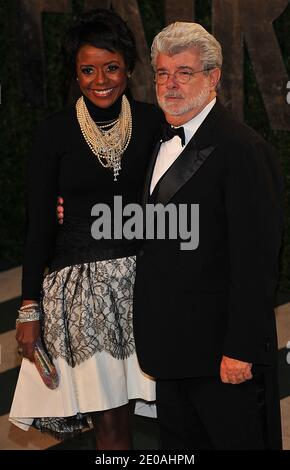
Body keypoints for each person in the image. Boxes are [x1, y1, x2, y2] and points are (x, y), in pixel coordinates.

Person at [9, 9, 162, 449]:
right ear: (75, 74)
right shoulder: (53, 133)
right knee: (110, 425)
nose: (101, 79)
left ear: (129, 69)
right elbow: (38, 224)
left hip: (145, 285)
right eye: (88, 69)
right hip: (82, 295)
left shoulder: (154, 123)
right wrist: (29, 308)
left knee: (143, 416)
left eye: (111, 67)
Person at [132, 22, 284, 450]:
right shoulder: (157, 141)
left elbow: (258, 259)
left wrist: (242, 348)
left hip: (221, 354)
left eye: (184, 72)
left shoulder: (243, 149)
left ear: (213, 77)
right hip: (170, 347)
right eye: (162, 73)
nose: (171, 84)